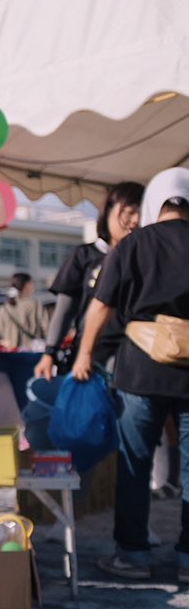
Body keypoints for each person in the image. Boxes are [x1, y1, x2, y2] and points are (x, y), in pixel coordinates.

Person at [72, 167, 189, 584]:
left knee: (135, 465)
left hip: (142, 369)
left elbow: (100, 306)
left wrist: (83, 353)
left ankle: (133, 557)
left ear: (156, 203)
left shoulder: (134, 244)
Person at [34, 182, 144, 380]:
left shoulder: (146, 260)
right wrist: (49, 353)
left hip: (134, 359)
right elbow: (65, 310)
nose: (135, 220)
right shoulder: (84, 255)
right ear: (109, 209)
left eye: (141, 213)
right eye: (129, 212)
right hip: (89, 359)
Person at [0, 272, 49, 350]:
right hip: (31, 354)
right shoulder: (35, 305)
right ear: (27, 285)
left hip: (9, 353)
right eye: (31, 284)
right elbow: (47, 328)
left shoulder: (3, 308)